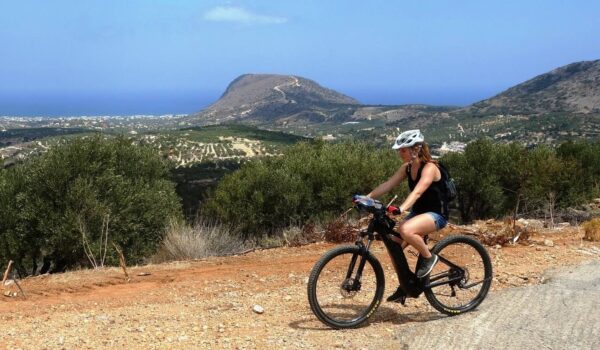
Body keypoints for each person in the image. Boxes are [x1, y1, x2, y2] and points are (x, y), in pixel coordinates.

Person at [364, 129, 448, 301]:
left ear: (415, 148)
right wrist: (367, 198)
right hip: (419, 213)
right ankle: (407, 284)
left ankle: (429, 257)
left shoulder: (430, 167)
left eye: (403, 149)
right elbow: (388, 184)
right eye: (399, 150)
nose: (399, 153)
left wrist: (401, 209)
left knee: (405, 229)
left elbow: (418, 192)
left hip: (437, 214)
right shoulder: (408, 168)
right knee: (394, 246)